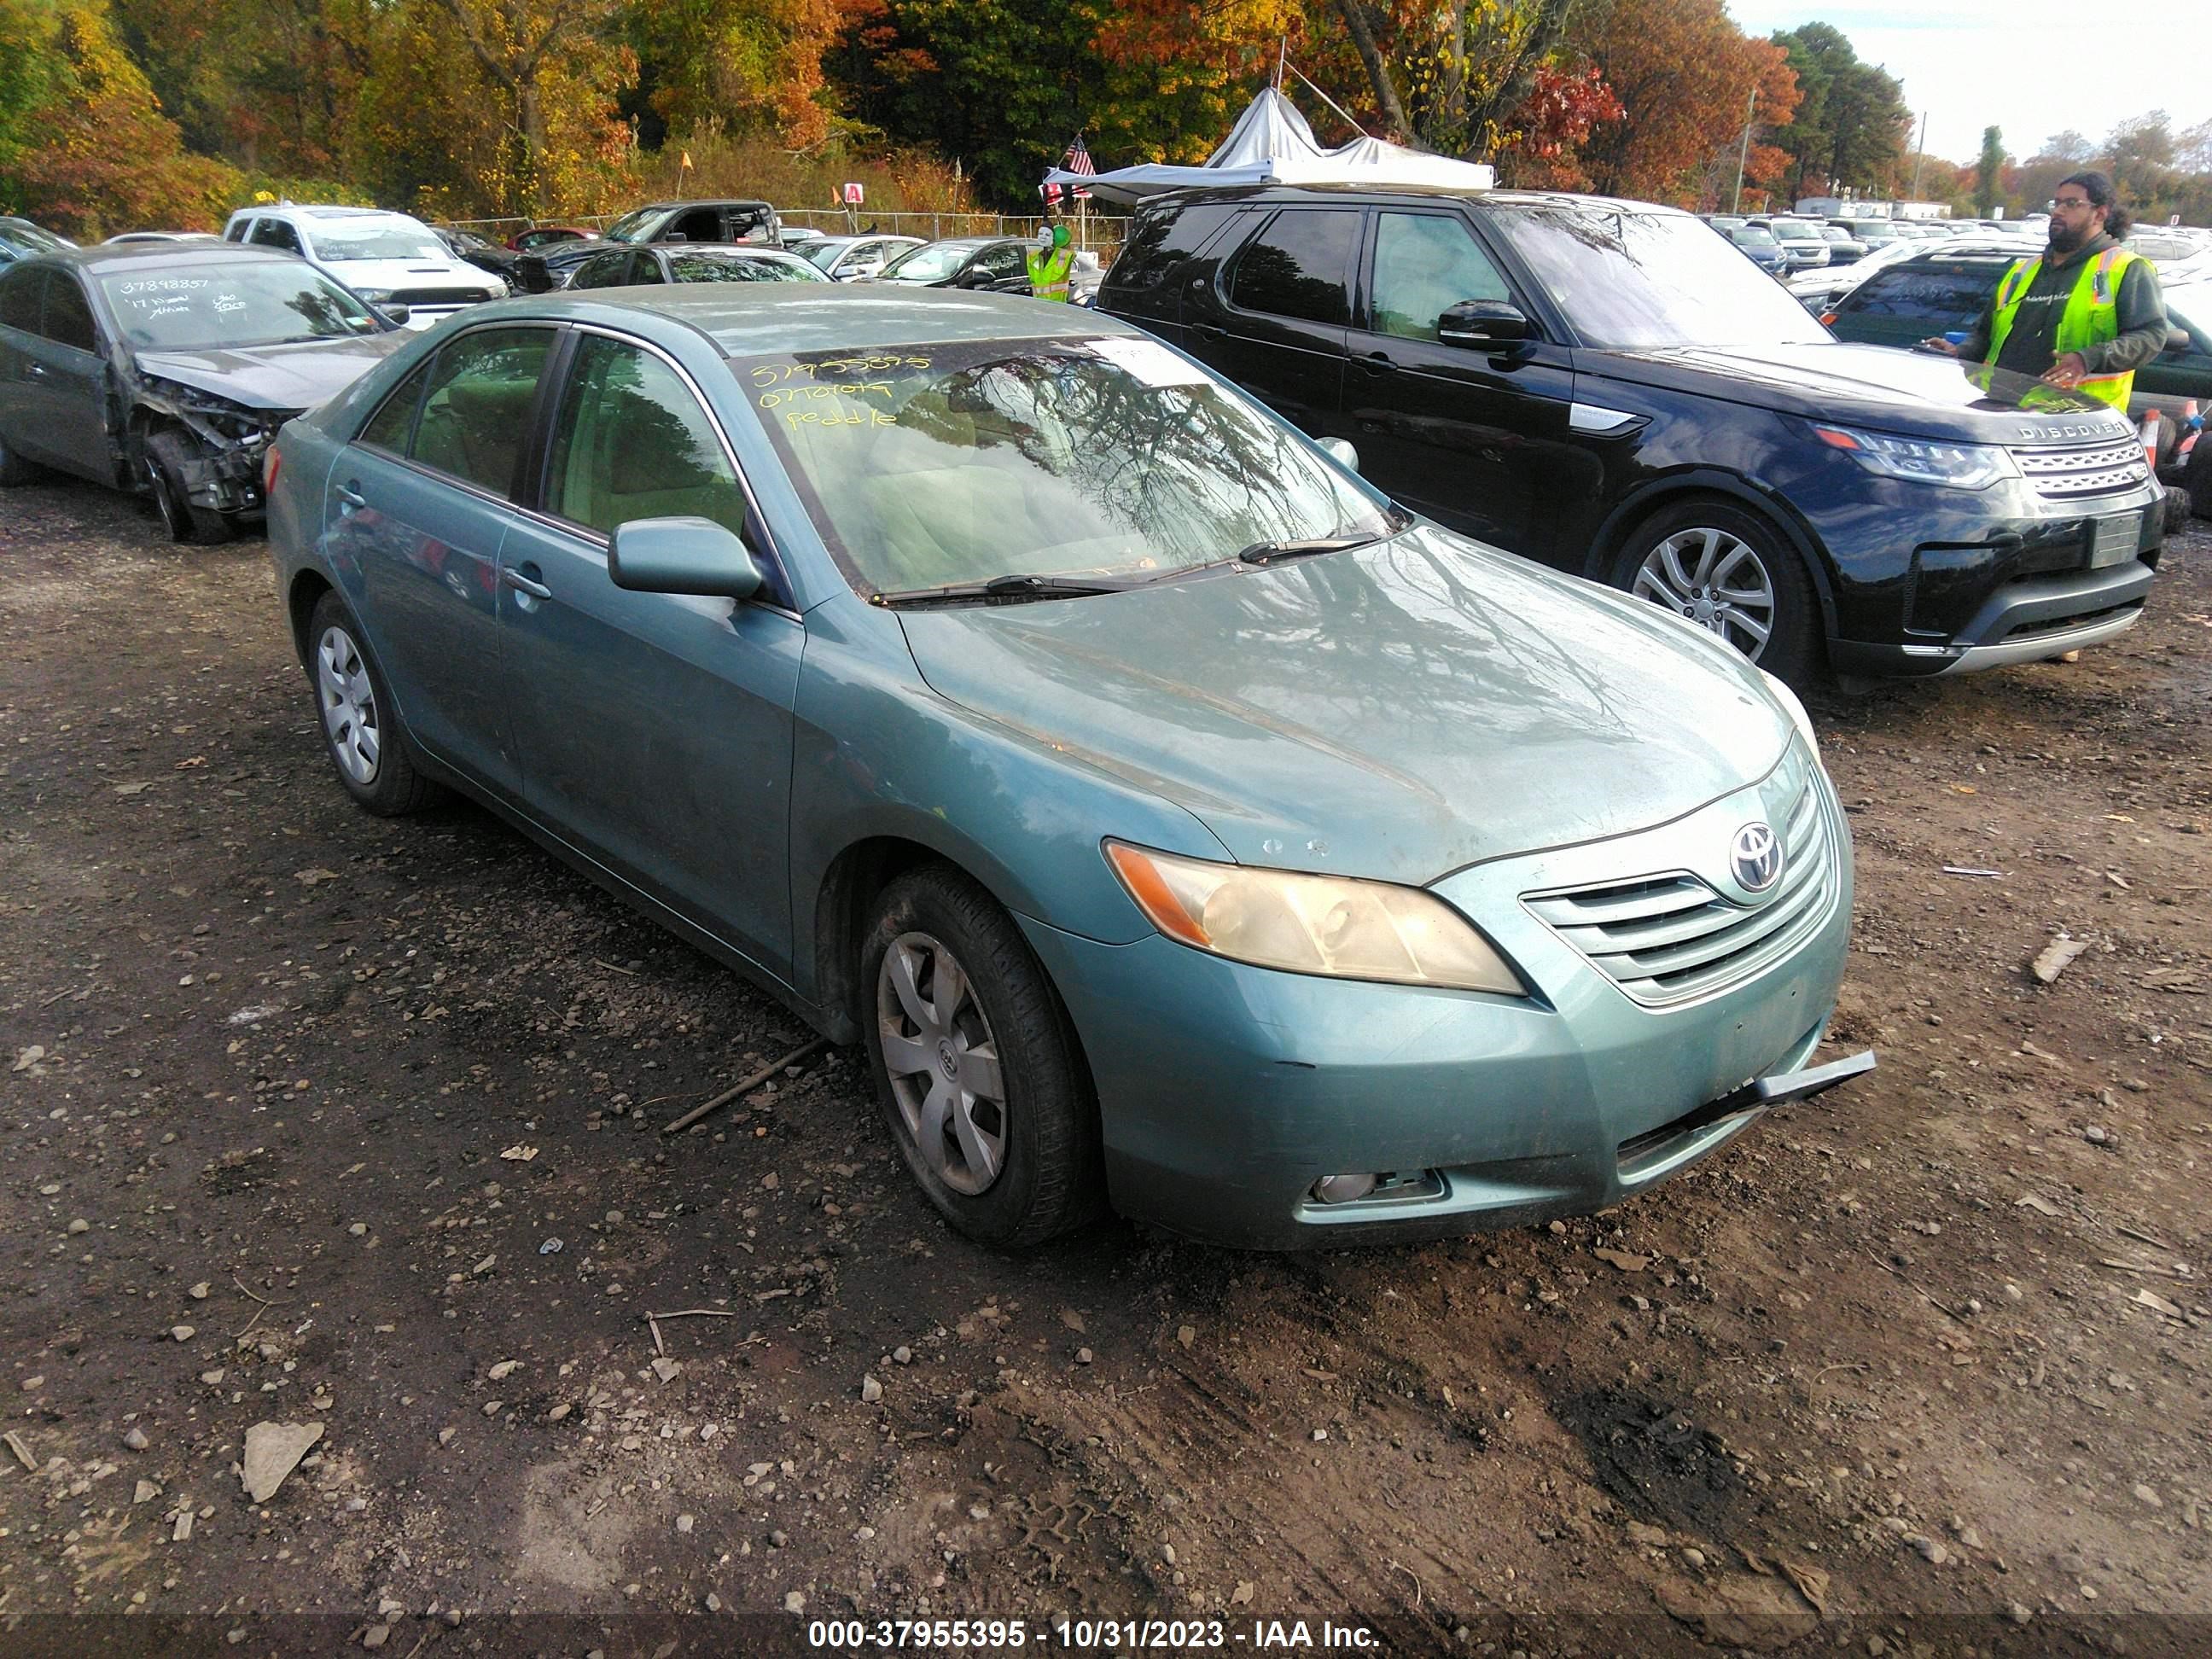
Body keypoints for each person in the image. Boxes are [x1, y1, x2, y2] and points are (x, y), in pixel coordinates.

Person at [1924, 171, 2168, 409]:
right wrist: (1960, 351)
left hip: (2078, 418)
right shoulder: (2022, 271)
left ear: (2099, 214)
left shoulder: (2125, 269)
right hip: (2001, 406)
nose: (2058, 211)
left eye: (2072, 204)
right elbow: (1984, 335)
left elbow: (2149, 336)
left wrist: (2088, 359)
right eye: (2057, 203)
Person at [1026, 222, 1074, 302]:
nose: (1043, 237)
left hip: (1054, 306)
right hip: (1044, 305)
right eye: (1041, 234)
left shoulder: (1063, 256)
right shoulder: (1033, 256)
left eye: (1047, 235)